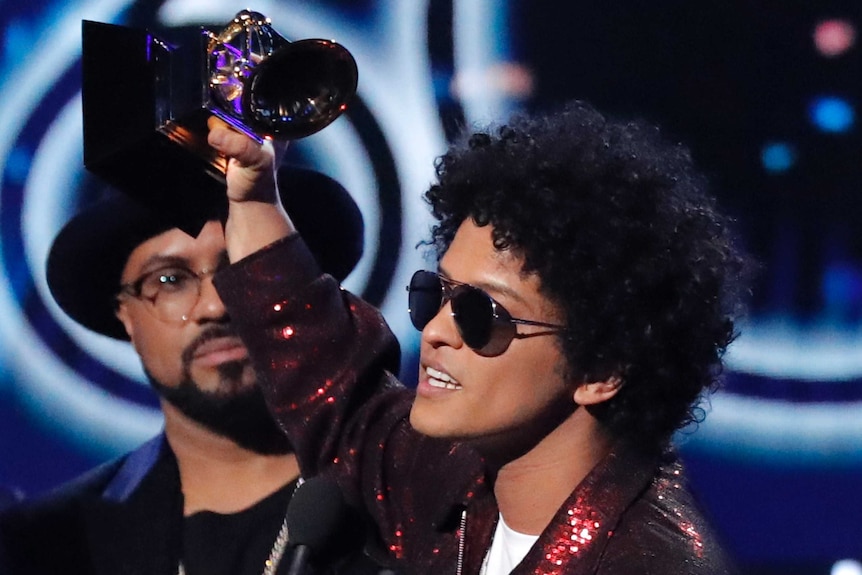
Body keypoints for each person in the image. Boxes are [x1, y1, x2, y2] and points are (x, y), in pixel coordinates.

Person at [209, 101, 745, 574]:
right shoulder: (460, 488)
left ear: (602, 369)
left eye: (480, 313)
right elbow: (333, 389)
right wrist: (256, 198)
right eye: (435, 294)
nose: (437, 330)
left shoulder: (649, 564)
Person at [0, 166, 379, 575]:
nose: (216, 306)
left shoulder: (414, 494)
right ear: (125, 315)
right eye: (170, 279)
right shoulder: (49, 545)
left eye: (242, 267)